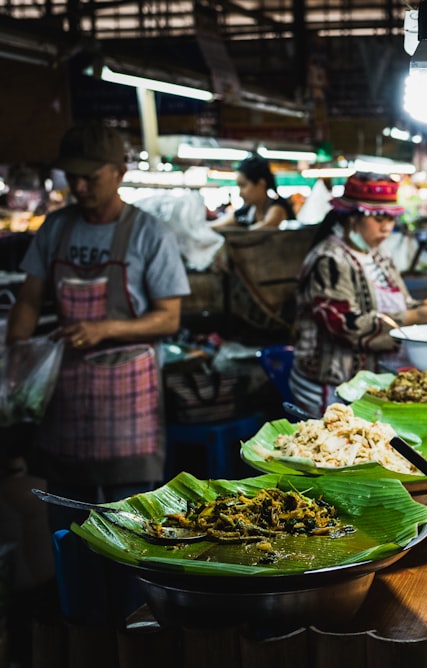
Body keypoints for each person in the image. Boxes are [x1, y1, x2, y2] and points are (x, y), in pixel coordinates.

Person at [5, 121, 190, 529]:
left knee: (135, 525)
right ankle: (79, 593)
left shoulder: (149, 233)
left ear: (119, 172)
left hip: (129, 402)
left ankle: (133, 597)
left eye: (90, 177)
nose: (81, 187)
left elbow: (168, 317)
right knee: (71, 523)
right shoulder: (56, 228)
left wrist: (105, 329)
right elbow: (29, 300)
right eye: (73, 177)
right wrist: (16, 357)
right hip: (65, 393)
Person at [289, 172, 427, 416]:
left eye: (391, 218)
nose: (387, 227)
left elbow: (401, 302)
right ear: (352, 219)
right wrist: (413, 316)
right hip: (331, 386)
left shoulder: (378, 254)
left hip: (370, 382)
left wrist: (424, 305)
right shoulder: (329, 261)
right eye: (378, 218)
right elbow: (344, 326)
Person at [211, 154, 295, 230]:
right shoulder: (248, 210)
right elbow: (217, 225)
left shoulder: (278, 207)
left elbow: (267, 226)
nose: (240, 193)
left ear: (261, 183)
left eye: (243, 185)